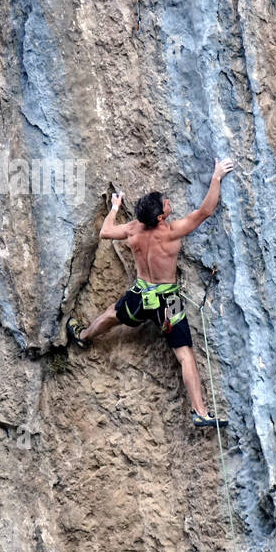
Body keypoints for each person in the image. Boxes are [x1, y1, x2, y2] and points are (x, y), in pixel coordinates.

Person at [66, 158, 234, 429]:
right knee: (185, 355)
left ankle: (83, 336)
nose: (168, 202)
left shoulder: (133, 229)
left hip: (140, 295)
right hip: (168, 302)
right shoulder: (170, 232)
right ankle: (200, 412)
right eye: (165, 203)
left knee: (112, 314)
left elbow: (106, 231)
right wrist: (216, 178)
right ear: (160, 217)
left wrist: (114, 208)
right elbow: (205, 211)